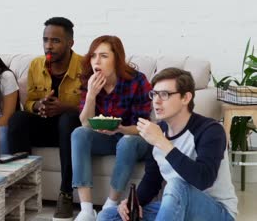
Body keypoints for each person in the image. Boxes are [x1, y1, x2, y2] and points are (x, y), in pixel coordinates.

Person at [98, 67, 238, 221]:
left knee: (176, 185)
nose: (156, 101)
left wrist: (162, 142)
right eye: (154, 94)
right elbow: (152, 179)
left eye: (164, 94)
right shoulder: (159, 131)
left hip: (217, 212)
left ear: (186, 98)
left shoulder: (210, 130)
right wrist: (132, 202)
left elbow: (203, 180)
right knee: (108, 216)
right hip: (177, 208)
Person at [7, 17, 83, 221]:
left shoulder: (84, 66)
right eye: (45, 39)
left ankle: (66, 193)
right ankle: (21, 187)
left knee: (67, 119)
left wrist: (64, 107)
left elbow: (91, 109)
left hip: (70, 131)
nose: (48, 45)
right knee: (18, 119)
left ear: (70, 43)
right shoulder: (36, 65)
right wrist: (38, 105)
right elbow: (30, 101)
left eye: (55, 41)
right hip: (45, 127)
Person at [71, 35, 152, 221]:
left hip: (132, 137)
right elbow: (85, 123)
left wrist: (120, 129)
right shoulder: (89, 81)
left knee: (127, 142)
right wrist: (91, 95)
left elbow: (142, 127)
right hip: (105, 138)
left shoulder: (137, 81)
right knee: (79, 133)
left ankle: (111, 204)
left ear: (117, 59)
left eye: (103, 56)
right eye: (93, 56)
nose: (96, 61)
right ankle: (86, 210)